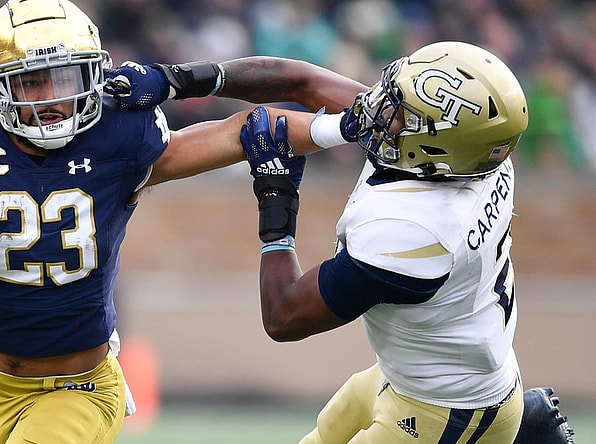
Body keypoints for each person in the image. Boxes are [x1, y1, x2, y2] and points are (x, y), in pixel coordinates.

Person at [0, 1, 364, 443]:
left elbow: (249, 129)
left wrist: (343, 128)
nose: (52, 99)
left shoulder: (120, 136)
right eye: (31, 83)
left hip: (77, 390)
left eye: (64, 78)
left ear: (94, 75)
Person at [231, 41, 576, 443]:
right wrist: (186, 80)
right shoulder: (474, 157)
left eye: (402, 114)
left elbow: (283, 316)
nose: (382, 112)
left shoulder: (418, 234)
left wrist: (277, 193)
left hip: (447, 413)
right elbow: (307, 83)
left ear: (436, 145)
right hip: (415, 377)